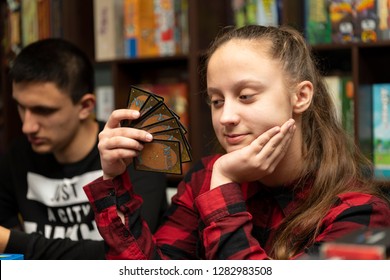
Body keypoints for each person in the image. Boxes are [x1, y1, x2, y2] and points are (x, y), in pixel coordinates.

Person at [83, 25, 390, 260]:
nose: (226, 117)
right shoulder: (205, 178)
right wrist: (113, 180)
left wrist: (224, 184)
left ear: (301, 96)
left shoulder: (359, 212)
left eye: (246, 96)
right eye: (216, 101)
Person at [0, 38, 168, 259]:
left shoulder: (132, 154)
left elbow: (128, 254)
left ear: (85, 106)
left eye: (44, 111)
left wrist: (13, 242)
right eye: (22, 107)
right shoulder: (17, 156)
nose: (27, 126)